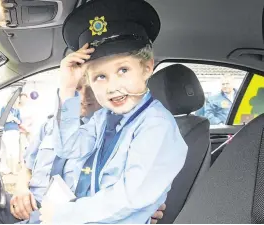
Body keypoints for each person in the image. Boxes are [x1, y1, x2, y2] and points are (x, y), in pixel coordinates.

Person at [0, 77, 166, 224]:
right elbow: (26, 169)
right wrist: (20, 191)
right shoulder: (50, 125)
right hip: (28, 205)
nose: (84, 96)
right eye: (77, 89)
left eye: (91, 88)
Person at [38, 0, 188, 223]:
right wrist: (68, 88)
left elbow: (129, 200)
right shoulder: (104, 117)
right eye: (100, 77)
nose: (112, 87)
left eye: (123, 70)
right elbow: (68, 148)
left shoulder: (157, 126)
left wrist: (63, 215)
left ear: (147, 68)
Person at [0, 103, 22, 174]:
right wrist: (10, 119)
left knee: (15, 150)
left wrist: (14, 119)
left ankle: (14, 169)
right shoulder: (4, 108)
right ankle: (9, 169)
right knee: (9, 150)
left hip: (15, 130)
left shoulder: (17, 110)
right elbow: (2, 120)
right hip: (7, 130)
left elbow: (20, 121)